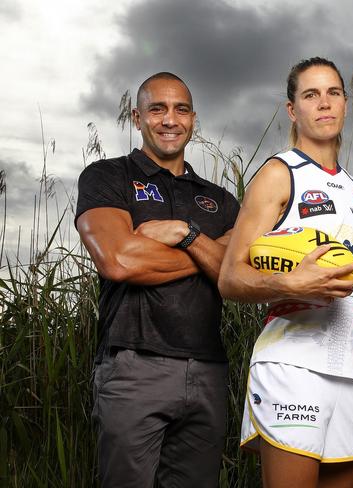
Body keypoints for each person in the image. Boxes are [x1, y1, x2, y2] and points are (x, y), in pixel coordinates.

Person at [75, 72, 239, 487]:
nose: (170, 119)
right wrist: (209, 252)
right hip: (133, 365)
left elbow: (236, 277)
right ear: (137, 117)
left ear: (193, 118)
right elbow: (118, 261)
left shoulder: (220, 200)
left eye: (181, 109)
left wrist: (185, 233)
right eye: (157, 109)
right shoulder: (107, 176)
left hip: (208, 370)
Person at [218, 57, 353, 488]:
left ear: (345, 103)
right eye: (310, 95)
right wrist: (289, 283)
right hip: (292, 364)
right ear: (292, 109)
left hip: (351, 367)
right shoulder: (277, 173)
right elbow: (230, 277)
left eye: (333, 93)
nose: (324, 103)